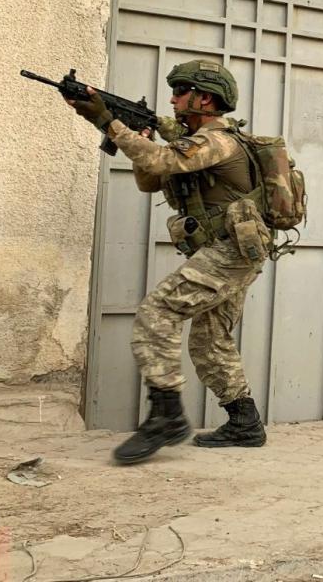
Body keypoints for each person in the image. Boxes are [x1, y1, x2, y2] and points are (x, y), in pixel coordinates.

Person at [67, 59, 270, 464]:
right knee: (210, 339)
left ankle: (166, 414)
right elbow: (150, 178)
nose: (173, 99)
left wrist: (109, 122)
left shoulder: (218, 141)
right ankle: (244, 422)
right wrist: (133, 132)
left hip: (231, 252)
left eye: (181, 92)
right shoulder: (189, 142)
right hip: (228, 251)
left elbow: (159, 162)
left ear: (204, 97)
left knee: (157, 312)